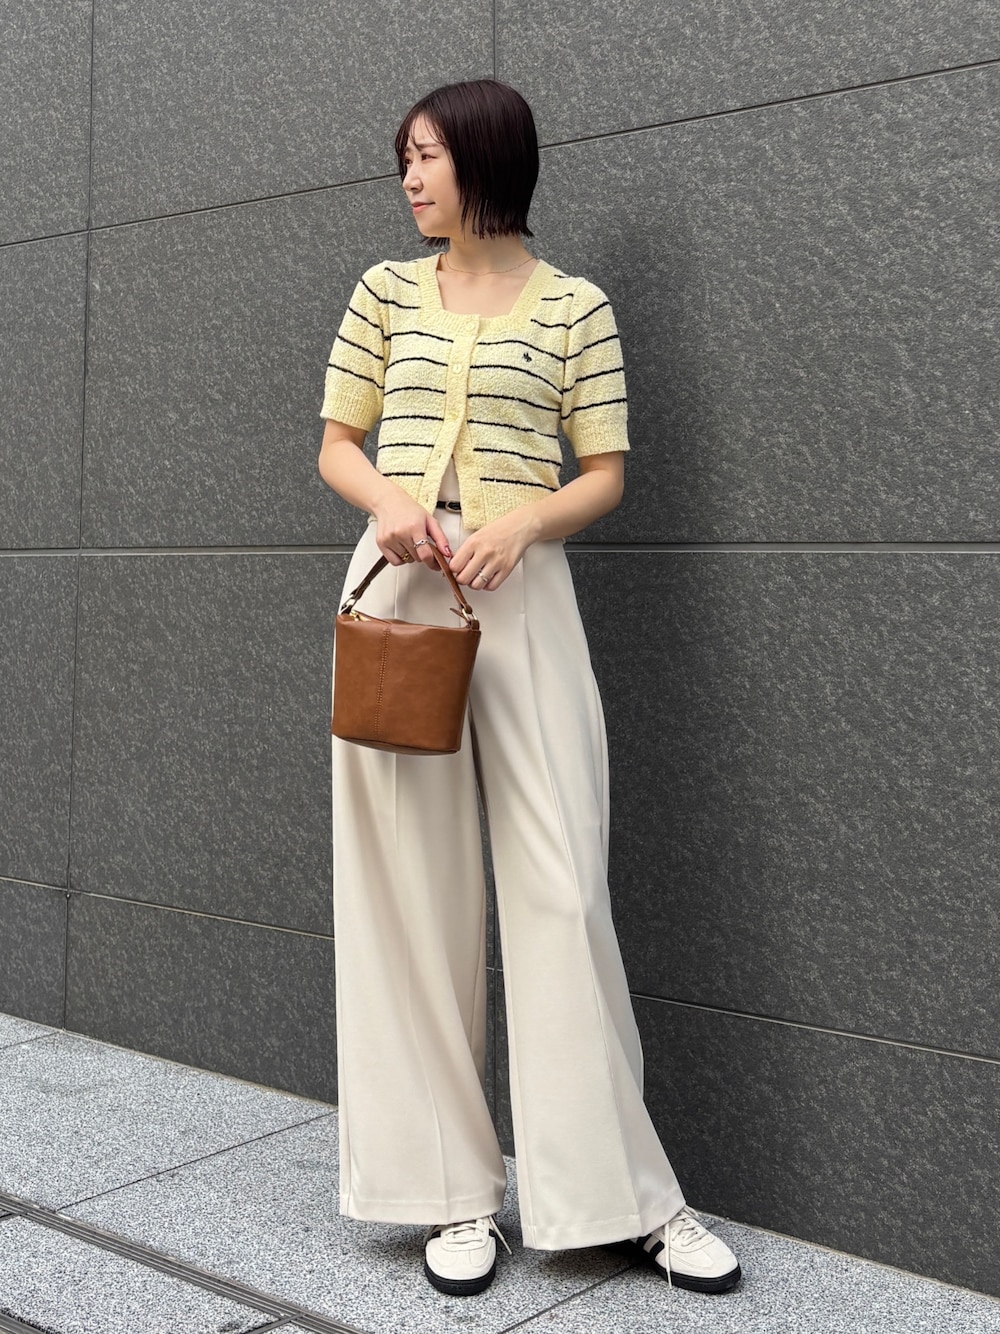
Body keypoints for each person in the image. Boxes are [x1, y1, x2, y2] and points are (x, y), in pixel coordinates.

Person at [317, 77, 742, 1299]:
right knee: (406, 889)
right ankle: (449, 1191)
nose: (410, 178)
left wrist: (523, 523)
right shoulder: (384, 291)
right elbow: (337, 443)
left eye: (428, 156)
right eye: (403, 158)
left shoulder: (575, 308)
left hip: (523, 592)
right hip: (399, 593)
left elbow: (602, 469)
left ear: (489, 159)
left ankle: (624, 1196)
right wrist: (394, 504)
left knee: (561, 882)